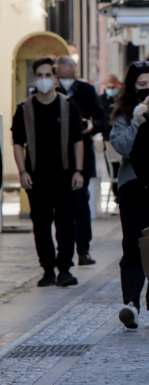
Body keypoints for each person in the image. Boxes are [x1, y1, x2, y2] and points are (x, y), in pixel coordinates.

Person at [109, 61, 149, 329]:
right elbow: (121, 147)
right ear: (131, 87)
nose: (147, 89)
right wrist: (137, 122)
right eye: (141, 84)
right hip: (133, 186)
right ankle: (131, 303)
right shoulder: (124, 113)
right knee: (133, 244)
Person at [11, 57, 85, 288]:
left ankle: (65, 269)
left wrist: (79, 171)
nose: (43, 80)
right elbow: (17, 142)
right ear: (35, 78)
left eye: (47, 75)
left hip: (64, 175)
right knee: (41, 225)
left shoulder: (68, 105)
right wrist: (22, 171)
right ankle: (47, 270)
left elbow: (77, 140)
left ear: (54, 78)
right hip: (37, 177)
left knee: (65, 223)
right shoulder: (24, 109)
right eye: (39, 75)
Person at [55, 55, 106, 266]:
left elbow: (103, 119)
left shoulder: (86, 91)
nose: (66, 80)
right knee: (60, 205)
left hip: (82, 156)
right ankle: (63, 251)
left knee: (81, 202)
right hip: (56, 157)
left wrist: (92, 126)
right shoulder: (50, 92)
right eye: (62, 76)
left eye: (70, 75)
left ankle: (83, 249)